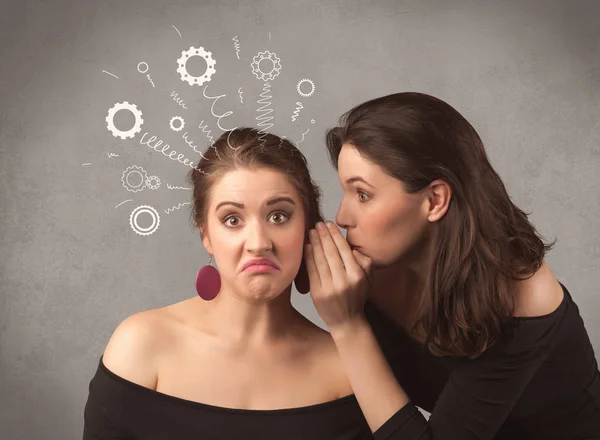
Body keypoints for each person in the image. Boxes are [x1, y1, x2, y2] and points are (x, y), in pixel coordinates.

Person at [304, 92, 600, 439]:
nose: (341, 217)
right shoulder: (372, 261)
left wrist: (348, 326)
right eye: (345, 192)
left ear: (434, 200)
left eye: (363, 194)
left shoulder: (521, 296)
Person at [82, 128, 372, 440]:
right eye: (232, 220)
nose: (258, 243)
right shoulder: (141, 345)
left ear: (309, 228)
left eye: (278, 216)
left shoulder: (347, 369)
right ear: (206, 234)